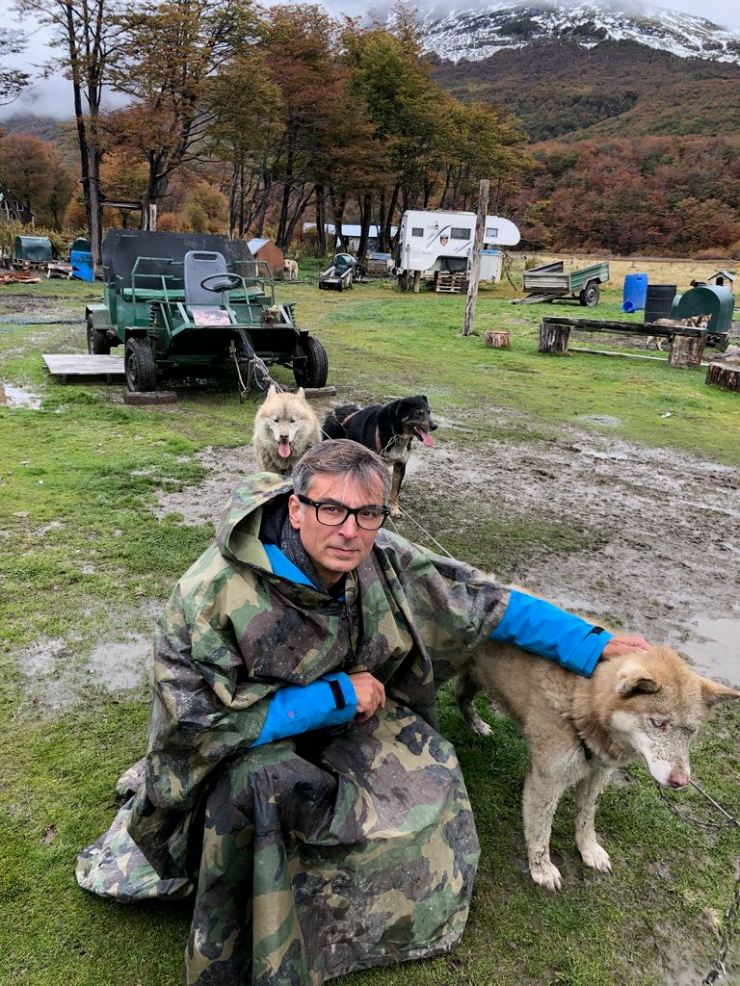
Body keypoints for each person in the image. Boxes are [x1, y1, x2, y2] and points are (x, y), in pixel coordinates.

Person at [77, 439, 648, 986]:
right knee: (263, 788)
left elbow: (480, 598)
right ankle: (258, 930)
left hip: (350, 719)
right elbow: (194, 724)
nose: (350, 531)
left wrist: (590, 642)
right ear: (295, 509)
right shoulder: (212, 593)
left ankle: (361, 911)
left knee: (432, 785)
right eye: (331, 509)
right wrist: (334, 697)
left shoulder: (383, 560)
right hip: (244, 746)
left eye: (368, 513)